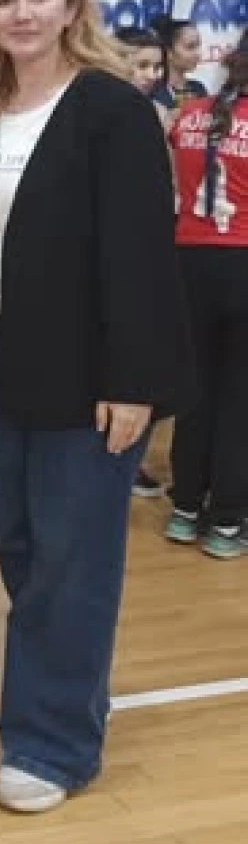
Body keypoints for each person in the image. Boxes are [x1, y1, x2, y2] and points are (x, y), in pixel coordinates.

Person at [0, 0, 190, 814]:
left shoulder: (110, 109)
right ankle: (69, 694)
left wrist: (133, 382)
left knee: (71, 560)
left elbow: (140, 257)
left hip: (87, 377)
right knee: (23, 550)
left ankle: (54, 746)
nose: (21, 12)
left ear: (72, 7)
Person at [166, 31, 248, 556]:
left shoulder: (190, 113)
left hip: (189, 263)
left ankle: (185, 508)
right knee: (239, 398)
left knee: (195, 391)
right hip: (242, 260)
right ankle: (227, 521)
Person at [114, 25, 172, 499]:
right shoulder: (94, 115)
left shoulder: (161, 114)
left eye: (157, 66)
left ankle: (133, 460)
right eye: (141, 65)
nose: (151, 74)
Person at [150, 16, 208, 110]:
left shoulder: (199, 88)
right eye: (190, 47)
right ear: (169, 52)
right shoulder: (153, 92)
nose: (198, 53)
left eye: (198, 46)